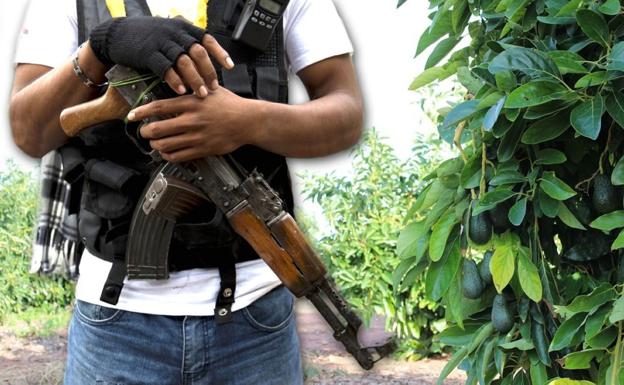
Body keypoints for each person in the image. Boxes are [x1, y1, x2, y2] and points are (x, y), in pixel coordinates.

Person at [9, 0, 362, 384]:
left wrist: (248, 122)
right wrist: (99, 48)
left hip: (255, 322)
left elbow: (345, 114)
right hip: (116, 326)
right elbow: (31, 132)